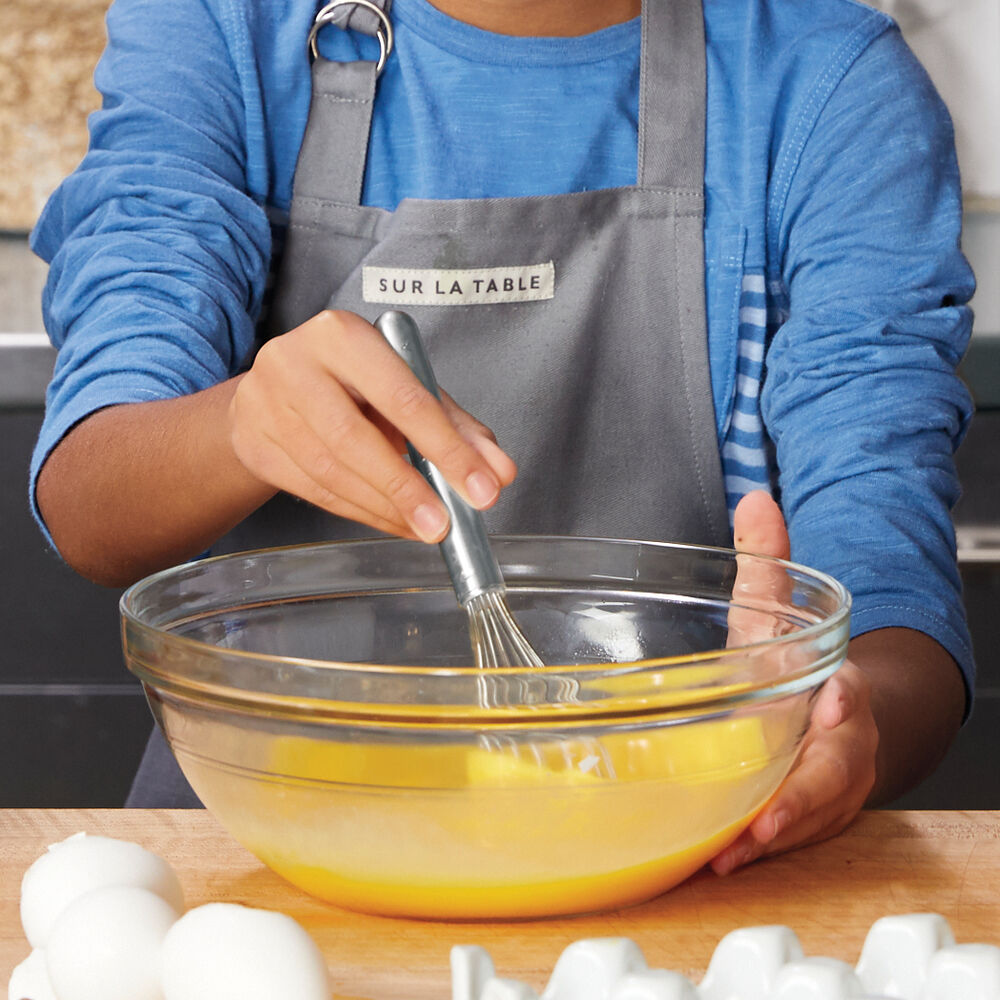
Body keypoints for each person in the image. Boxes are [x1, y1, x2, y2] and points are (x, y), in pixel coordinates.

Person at [29, 0, 973, 877]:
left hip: (676, 853)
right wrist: (238, 428)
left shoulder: (827, 83)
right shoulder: (225, 29)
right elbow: (93, 502)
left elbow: (890, 594)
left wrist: (842, 720)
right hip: (258, 850)